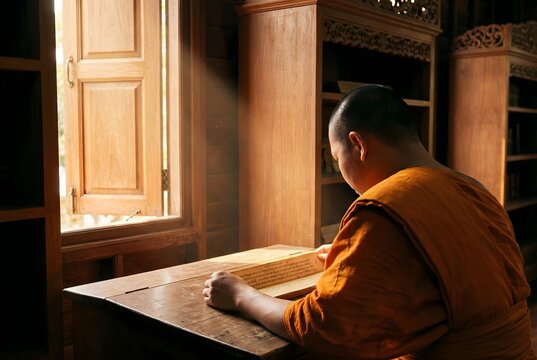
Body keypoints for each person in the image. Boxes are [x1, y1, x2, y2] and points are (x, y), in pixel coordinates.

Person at [202, 84, 535, 359]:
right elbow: (457, 268)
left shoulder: (386, 204)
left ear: (357, 144)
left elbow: (321, 326)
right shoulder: (472, 188)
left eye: (337, 159)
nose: (343, 174)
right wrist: (361, 252)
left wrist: (240, 295)